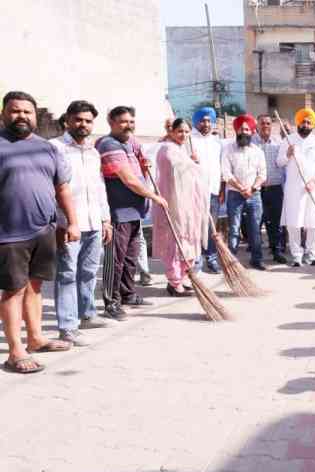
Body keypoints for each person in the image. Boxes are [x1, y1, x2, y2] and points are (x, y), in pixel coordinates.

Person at [0, 91, 78, 373]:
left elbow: (62, 188)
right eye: (15, 110)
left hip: (44, 230)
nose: (21, 115)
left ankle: (35, 338)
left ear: (35, 116)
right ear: (4, 114)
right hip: (8, 234)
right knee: (13, 291)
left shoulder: (47, 148)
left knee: (35, 286)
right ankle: (15, 351)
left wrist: (72, 222)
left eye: (27, 112)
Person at [50, 100, 113, 347]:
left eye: (88, 121)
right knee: (66, 273)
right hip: (68, 223)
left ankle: (86, 314)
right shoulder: (54, 148)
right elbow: (51, 188)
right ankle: (67, 327)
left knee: (88, 272)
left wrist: (105, 219)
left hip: (94, 221)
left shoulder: (93, 151)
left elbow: (99, 188)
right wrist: (59, 221)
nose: (83, 124)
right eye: (78, 119)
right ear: (67, 120)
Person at [97, 106, 166, 320]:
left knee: (130, 257)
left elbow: (140, 167)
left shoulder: (130, 142)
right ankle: (112, 302)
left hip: (134, 211)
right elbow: (128, 179)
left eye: (131, 121)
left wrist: (145, 165)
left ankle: (127, 294)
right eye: (123, 122)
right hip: (118, 212)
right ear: (111, 122)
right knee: (114, 260)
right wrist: (155, 197)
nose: (128, 125)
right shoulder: (108, 144)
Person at [153, 118, 209, 296]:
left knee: (187, 240)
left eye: (186, 132)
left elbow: (190, 172)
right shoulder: (167, 149)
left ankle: (182, 278)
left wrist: (193, 163)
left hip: (186, 205)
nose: (183, 135)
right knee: (174, 243)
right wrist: (193, 165)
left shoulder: (180, 150)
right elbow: (178, 170)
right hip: (173, 204)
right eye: (180, 131)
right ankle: (174, 281)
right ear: (171, 132)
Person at [277, 108, 315, 267]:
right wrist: (288, 154)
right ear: (298, 123)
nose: (305, 124)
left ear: (312, 125)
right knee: (294, 222)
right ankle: (297, 255)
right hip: (294, 188)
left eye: (308, 122)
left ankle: (311, 254)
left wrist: (314, 181)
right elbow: (279, 162)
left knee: (312, 222)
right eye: (303, 122)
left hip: (312, 186)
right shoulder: (288, 140)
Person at [222, 115, 267, 270]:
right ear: (236, 130)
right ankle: (231, 263)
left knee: (255, 229)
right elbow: (226, 173)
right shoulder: (228, 149)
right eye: (241, 129)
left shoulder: (258, 151)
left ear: (252, 132)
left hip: (254, 195)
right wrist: (241, 188)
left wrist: (252, 188)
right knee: (234, 230)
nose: (244, 132)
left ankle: (256, 259)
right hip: (235, 195)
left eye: (247, 129)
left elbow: (263, 174)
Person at [191, 106, 224, 274]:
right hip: (195, 192)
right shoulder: (189, 140)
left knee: (211, 227)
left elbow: (220, 167)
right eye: (203, 120)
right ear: (196, 122)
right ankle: (197, 260)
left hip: (213, 190)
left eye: (209, 121)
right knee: (196, 227)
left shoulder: (216, 142)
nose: (206, 123)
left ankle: (211, 258)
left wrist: (221, 188)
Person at [254, 114, 287, 264]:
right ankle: (257, 254)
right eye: (262, 123)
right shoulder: (251, 143)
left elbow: (284, 163)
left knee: (276, 223)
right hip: (257, 189)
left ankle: (277, 251)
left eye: (268, 123)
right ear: (257, 125)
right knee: (256, 223)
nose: (265, 126)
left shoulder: (279, 144)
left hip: (275, 189)